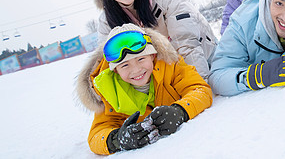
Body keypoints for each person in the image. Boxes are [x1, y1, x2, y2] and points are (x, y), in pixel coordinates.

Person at [76, 23, 213, 155]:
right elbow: (96, 136)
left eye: (141, 59)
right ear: (116, 70)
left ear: (152, 56)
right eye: (125, 65)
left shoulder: (170, 65)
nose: (136, 70)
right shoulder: (110, 91)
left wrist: (180, 111)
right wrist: (117, 139)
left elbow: (200, 90)